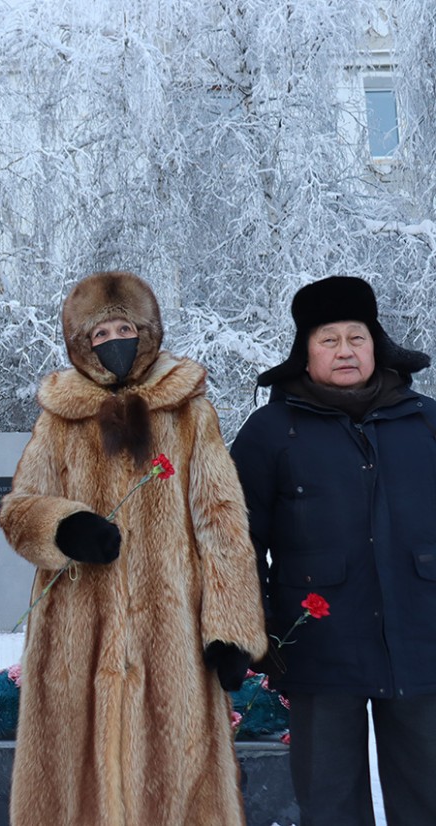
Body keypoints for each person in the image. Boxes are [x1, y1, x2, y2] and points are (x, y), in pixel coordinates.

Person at [0, 270, 267, 825]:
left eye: (124, 328)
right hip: (76, 631)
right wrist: (64, 526)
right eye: (98, 335)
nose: (113, 342)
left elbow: (222, 523)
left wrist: (232, 629)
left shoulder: (190, 412)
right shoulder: (59, 420)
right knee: (75, 787)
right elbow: (19, 509)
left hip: (170, 636)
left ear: (148, 332)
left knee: (175, 779)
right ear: (79, 345)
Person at [230, 275, 436, 825]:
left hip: (422, 643)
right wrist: (255, 628)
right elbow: (238, 539)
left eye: (357, 337)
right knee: (330, 804)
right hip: (318, 645)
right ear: (306, 350)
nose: (345, 350)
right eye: (328, 339)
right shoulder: (270, 430)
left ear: (377, 344)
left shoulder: (425, 421)